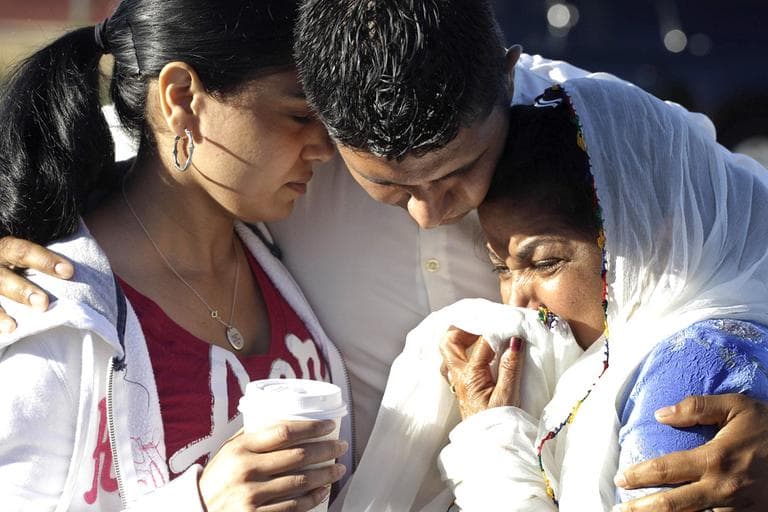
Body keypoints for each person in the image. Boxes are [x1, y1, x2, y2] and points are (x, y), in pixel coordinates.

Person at [1, 0, 768, 509]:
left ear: (506, 84)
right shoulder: (288, 166)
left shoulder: (590, 138)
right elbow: (153, 127)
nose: (435, 210)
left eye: (464, 170)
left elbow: (746, 233)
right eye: (390, 188)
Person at [340, 78, 768, 510]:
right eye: (501, 269)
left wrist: (492, 441)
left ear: (646, 239)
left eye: (545, 263)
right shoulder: (625, 354)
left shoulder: (692, 374)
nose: (517, 303)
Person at [0, 1, 351, 510]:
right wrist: (201, 502)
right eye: (298, 114)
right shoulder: (46, 314)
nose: (324, 147)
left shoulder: (287, 244)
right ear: (182, 96)